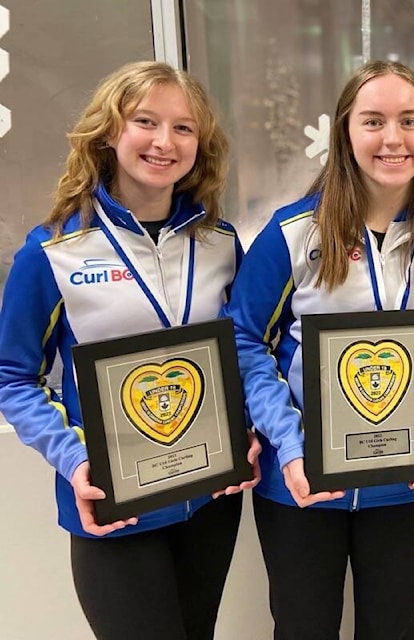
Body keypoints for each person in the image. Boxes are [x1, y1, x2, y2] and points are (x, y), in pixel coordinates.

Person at [224, 60, 414, 640]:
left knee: (393, 625)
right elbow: (244, 342)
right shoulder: (292, 235)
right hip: (300, 479)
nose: (392, 138)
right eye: (373, 121)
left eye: (409, 121)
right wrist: (288, 442)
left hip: (404, 481)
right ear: (345, 132)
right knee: (302, 625)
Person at [0, 61, 260, 640]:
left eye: (184, 128)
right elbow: (11, 377)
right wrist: (75, 458)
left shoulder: (220, 243)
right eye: (145, 121)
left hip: (210, 501)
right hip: (115, 508)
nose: (165, 142)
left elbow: (237, 353)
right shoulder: (54, 251)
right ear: (109, 131)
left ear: (203, 143)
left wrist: (244, 425)